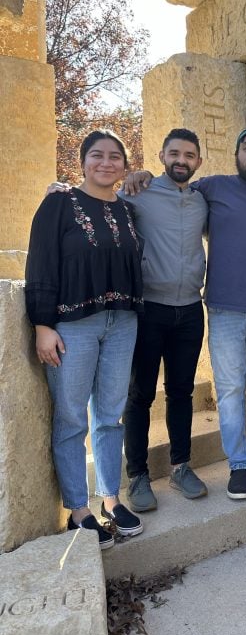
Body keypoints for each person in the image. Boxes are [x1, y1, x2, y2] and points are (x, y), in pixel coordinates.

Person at [126, 127, 246, 501]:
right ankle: (237, 464)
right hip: (217, 311)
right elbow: (114, 200)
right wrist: (134, 175)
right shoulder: (210, 188)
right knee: (226, 392)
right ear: (236, 155)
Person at [25, 130, 144, 551]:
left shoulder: (129, 211)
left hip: (123, 322)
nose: (106, 163)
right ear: (83, 161)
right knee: (73, 417)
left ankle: (112, 498)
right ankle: (79, 510)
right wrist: (42, 324)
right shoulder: (58, 204)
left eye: (116, 157)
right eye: (98, 155)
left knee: (110, 415)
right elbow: (39, 262)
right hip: (73, 325)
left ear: (124, 166)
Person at [123, 129, 209, 513]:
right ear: (161, 155)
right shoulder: (138, 193)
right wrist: (62, 189)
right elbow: (98, 196)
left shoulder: (202, 200)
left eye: (189, 155)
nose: (181, 160)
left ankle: (180, 466)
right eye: (174, 153)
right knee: (140, 395)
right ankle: (137, 475)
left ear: (198, 162)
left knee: (181, 392)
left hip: (191, 309)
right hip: (150, 309)